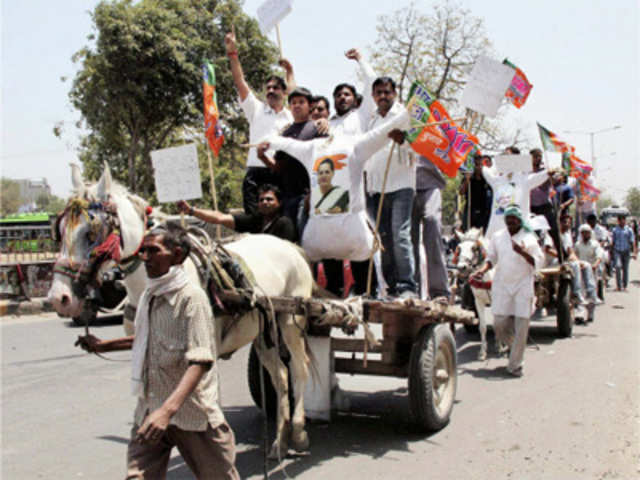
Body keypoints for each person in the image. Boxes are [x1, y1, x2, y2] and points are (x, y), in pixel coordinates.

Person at [77, 227, 239, 479]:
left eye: (154, 251)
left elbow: (201, 361)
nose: (145, 257)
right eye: (143, 250)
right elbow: (147, 339)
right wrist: (102, 346)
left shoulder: (191, 299)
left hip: (193, 417)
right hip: (150, 411)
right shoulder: (149, 296)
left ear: (177, 255)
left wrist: (167, 411)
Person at [259, 102, 409, 296]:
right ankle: (337, 291)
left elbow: (381, 133)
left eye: (327, 172)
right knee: (330, 269)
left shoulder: (355, 145)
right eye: (320, 172)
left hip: (352, 232)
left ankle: (366, 291)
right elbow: (287, 144)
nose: (322, 176)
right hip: (322, 233)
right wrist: (269, 141)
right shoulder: (312, 148)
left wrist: (404, 117)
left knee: (362, 270)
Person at [225, 28, 294, 215]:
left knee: (280, 222)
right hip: (256, 172)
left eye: (275, 88)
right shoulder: (255, 108)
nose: (271, 91)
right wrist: (233, 53)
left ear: (283, 92)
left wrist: (290, 71)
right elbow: (239, 81)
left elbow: (295, 93)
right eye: (268, 88)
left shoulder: (291, 116)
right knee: (254, 223)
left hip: (280, 173)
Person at [472, 205, 544, 377]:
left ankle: (515, 365)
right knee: (499, 324)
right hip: (502, 284)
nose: (510, 222)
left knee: (521, 327)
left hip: (522, 286)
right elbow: (491, 259)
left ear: (520, 221)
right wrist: (481, 271)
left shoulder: (529, 238)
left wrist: (523, 253)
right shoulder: (498, 237)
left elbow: (539, 262)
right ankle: (516, 348)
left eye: (513, 219)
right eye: (508, 219)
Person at [364, 76, 417, 298]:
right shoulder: (371, 120)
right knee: (383, 239)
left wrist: (404, 140)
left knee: (400, 235)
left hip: (401, 185)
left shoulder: (406, 116)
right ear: (373, 96)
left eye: (387, 92)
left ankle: (407, 286)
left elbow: (422, 147)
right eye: (378, 93)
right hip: (377, 188)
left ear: (394, 93)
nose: (383, 96)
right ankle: (391, 287)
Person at [257, 87, 326, 235]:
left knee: (307, 239)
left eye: (301, 102)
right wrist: (262, 157)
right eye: (293, 103)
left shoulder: (317, 129)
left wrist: (314, 194)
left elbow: (324, 164)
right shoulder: (284, 134)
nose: (297, 106)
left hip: (309, 196)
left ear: (310, 106)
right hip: (288, 196)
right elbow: (278, 168)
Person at [177, 184, 296, 242]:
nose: (265, 202)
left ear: (279, 203)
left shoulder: (284, 223)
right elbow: (219, 218)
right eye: (261, 200)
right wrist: (191, 211)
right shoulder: (254, 220)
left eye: (269, 199)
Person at [482, 150, 550, 241]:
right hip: (496, 231)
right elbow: (485, 170)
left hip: (518, 231)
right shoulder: (496, 180)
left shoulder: (524, 180)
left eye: (509, 157)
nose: (506, 160)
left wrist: (549, 172)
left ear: (516, 160)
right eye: (504, 158)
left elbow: (541, 176)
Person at [411, 153, 451, 299]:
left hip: (431, 184)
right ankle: (412, 290)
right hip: (405, 187)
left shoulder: (433, 132)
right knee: (409, 240)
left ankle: (439, 292)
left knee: (432, 222)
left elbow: (449, 159)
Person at [529, 149, 562, 255]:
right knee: (533, 235)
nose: (538, 159)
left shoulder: (546, 171)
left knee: (554, 232)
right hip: (531, 208)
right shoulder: (525, 172)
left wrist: (553, 176)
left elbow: (555, 181)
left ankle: (562, 256)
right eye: (535, 156)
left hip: (545, 206)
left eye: (540, 156)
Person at [459, 153, 492, 233]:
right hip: (470, 210)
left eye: (480, 165)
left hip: (484, 211)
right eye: (476, 165)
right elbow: (461, 192)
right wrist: (467, 180)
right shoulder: (469, 177)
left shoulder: (488, 178)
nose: (478, 167)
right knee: (468, 232)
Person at [574, 224, 604, 307]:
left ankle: (591, 314)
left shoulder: (595, 244)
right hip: (581, 269)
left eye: (587, 232)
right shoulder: (577, 244)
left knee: (592, 291)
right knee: (582, 291)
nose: (585, 234)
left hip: (592, 270)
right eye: (583, 233)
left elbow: (599, 256)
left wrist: (595, 265)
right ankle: (581, 314)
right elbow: (574, 256)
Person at [611, 214, 637, 291]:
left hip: (626, 251)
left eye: (623, 220)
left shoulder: (629, 230)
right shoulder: (615, 230)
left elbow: (632, 242)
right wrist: (611, 252)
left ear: (625, 221)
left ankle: (625, 286)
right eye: (620, 220)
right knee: (618, 267)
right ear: (618, 221)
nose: (622, 222)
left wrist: (634, 253)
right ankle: (618, 286)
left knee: (625, 269)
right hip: (617, 251)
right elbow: (613, 241)